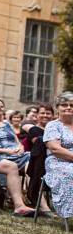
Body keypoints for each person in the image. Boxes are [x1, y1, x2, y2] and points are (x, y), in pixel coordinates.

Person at [43, 92, 73, 220]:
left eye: (72, 105)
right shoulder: (53, 125)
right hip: (58, 162)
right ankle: (68, 212)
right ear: (57, 108)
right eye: (64, 104)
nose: (68, 107)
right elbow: (55, 149)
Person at [0, 100, 29, 171]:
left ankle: (29, 182)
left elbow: (17, 141)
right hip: (1, 157)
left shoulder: (7, 124)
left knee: (33, 158)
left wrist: (21, 148)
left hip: (17, 154)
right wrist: (6, 151)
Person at [26, 104, 53, 207]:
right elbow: (39, 144)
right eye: (42, 113)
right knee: (41, 141)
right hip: (38, 159)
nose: (45, 115)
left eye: (48, 113)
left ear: (52, 115)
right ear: (37, 115)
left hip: (55, 157)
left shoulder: (57, 129)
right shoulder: (34, 130)